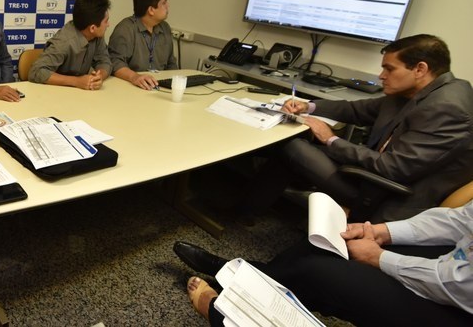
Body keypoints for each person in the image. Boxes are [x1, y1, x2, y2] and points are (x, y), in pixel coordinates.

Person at [247, 34, 473, 222]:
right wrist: (309, 106)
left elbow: (393, 168)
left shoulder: (447, 108)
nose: (381, 76)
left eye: (389, 69)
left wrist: (330, 139)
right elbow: (357, 110)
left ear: (420, 69)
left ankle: (246, 209)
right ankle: (253, 208)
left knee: (293, 147)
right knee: (296, 142)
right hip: (376, 172)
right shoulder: (421, 90)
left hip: (388, 193)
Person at [174, 199, 473, 326]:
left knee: (317, 273)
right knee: (322, 244)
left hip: (461, 303)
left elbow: (460, 285)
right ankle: (243, 280)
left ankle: (229, 312)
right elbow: (461, 220)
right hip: (459, 264)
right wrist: (385, 232)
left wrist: (378, 257)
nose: (381, 76)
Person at [29, 0, 112, 90]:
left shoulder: (97, 35)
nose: (108, 25)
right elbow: (36, 72)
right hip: (54, 93)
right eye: (106, 21)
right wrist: (76, 81)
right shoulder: (64, 42)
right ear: (92, 28)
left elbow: (104, 61)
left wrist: (99, 77)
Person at [108, 0, 177, 90]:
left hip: (160, 87)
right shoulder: (126, 29)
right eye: (164, 3)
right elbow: (114, 63)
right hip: (132, 87)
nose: (168, 6)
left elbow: (171, 63)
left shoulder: (165, 28)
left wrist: (176, 83)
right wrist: (135, 77)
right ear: (151, 10)